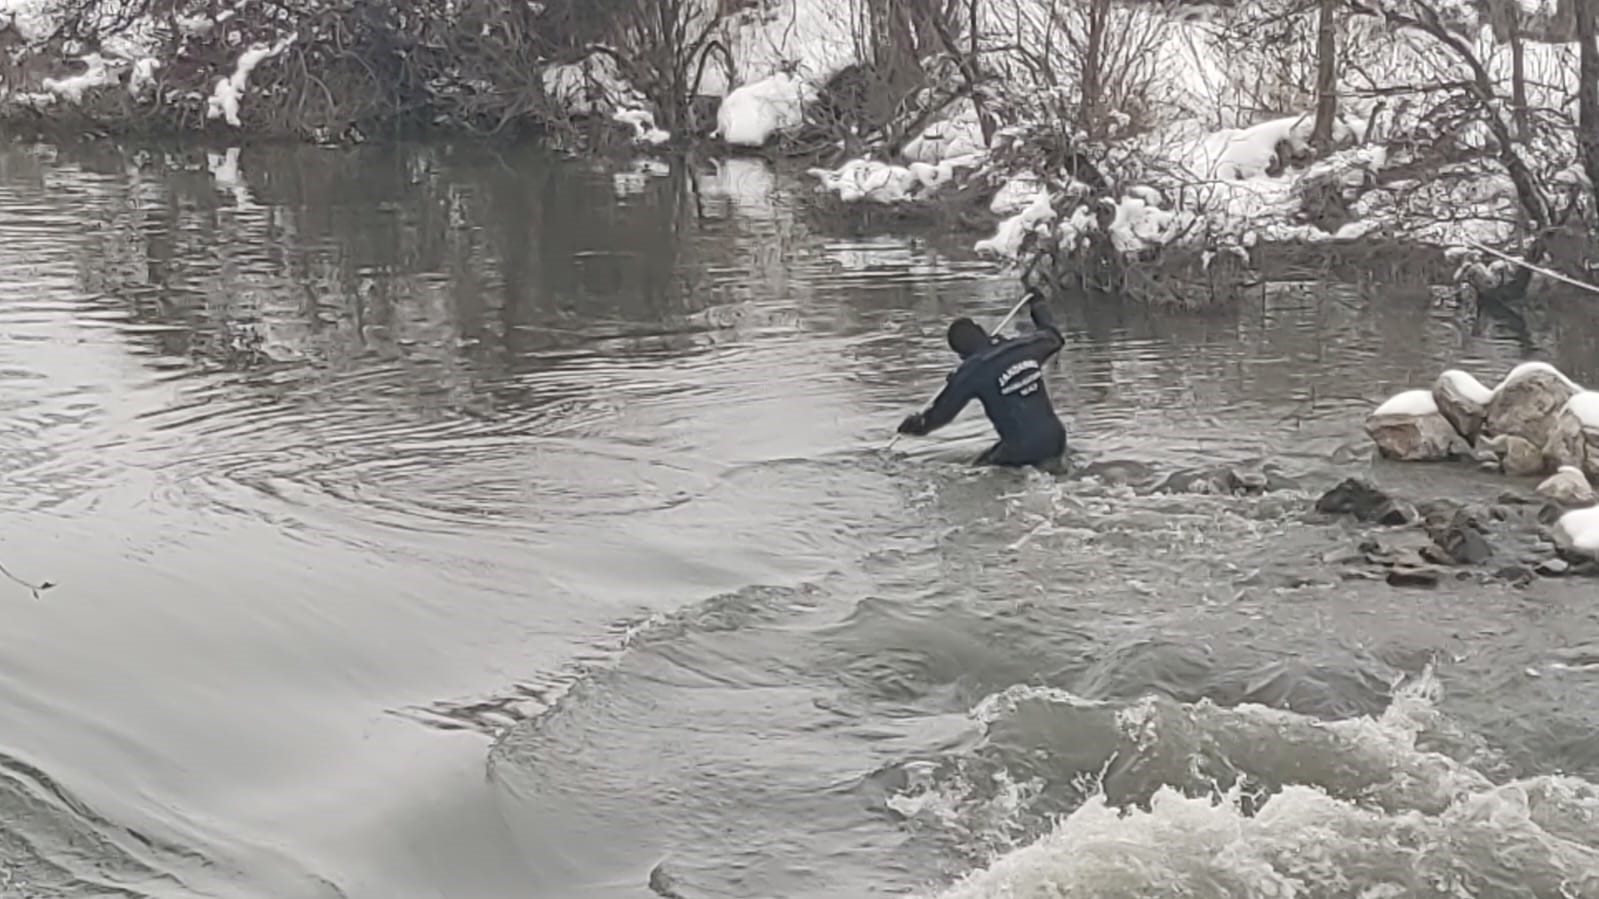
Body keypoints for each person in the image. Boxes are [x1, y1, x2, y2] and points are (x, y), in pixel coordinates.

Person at [896, 290, 1067, 468]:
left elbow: (938, 417)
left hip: (1020, 451)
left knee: (977, 468)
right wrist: (1038, 304)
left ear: (962, 355)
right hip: (1055, 440)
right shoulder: (1025, 347)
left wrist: (913, 425)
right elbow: (1053, 336)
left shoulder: (970, 373)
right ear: (982, 332)